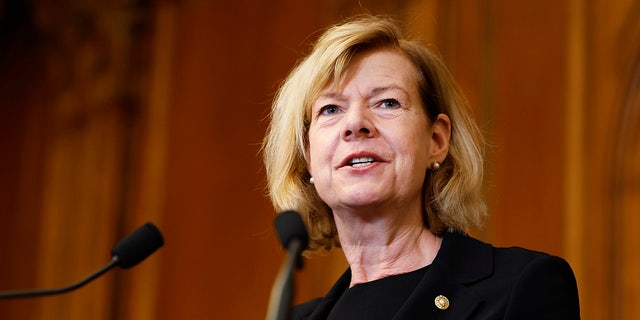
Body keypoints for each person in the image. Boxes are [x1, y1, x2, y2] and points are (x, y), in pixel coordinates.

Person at [262, 14, 580, 320]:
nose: (356, 123)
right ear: (307, 155)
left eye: (387, 103)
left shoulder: (522, 287)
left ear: (436, 140)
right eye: (331, 109)